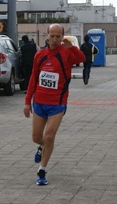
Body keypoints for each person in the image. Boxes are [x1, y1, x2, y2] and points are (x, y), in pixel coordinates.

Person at [23, 23, 85, 185]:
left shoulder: (66, 53)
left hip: (57, 103)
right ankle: (41, 147)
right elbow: (33, 78)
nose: (55, 39)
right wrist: (27, 101)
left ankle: (42, 171)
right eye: (52, 36)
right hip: (39, 102)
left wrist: (72, 48)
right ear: (47, 36)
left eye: (58, 36)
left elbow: (81, 59)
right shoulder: (40, 55)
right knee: (37, 137)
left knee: (49, 136)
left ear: (62, 37)